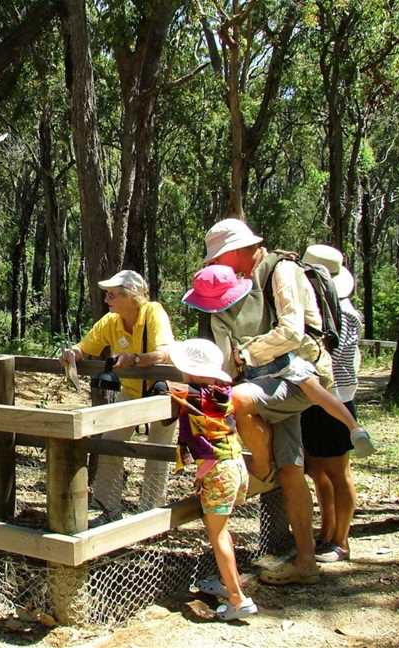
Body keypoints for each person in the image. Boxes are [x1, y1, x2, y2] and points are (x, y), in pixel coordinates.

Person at [197, 217, 325, 586]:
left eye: (218, 258)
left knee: (236, 403)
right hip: (270, 380)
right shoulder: (234, 286)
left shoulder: (280, 270)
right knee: (292, 469)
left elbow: (292, 330)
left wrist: (246, 355)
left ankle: (259, 474)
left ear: (236, 252)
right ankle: (305, 560)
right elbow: (225, 356)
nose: (214, 265)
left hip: (299, 378)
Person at [182, 264, 373, 476]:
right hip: (286, 359)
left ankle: (263, 465)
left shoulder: (220, 318)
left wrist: (236, 364)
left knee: (243, 404)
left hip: (258, 368)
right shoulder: (259, 298)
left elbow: (228, 360)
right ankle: (353, 426)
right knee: (320, 393)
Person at [59, 270, 176, 523]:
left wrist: (135, 359)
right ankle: (107, 509)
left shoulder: (153, 311)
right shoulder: (111, 321)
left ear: (131, 296)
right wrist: (73, 353)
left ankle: (151, 515)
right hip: (130, 393)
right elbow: (86, 346)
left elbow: (165, 353)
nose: (106, 300)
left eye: (112, 295)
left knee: (157, 455)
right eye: (107, 295)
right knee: (109, 446)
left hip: (161, 393)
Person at [160, 338, 257, 621]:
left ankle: (238, 598)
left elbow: (164, 389)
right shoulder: (221, 391)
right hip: (235, 466)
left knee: (218, 535)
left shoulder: (195, 394)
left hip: (219, 471)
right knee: (222, 529)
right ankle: (230, 583)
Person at [300, 244, 367, 563]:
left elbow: (339, 363)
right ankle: (326, 531)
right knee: (316, 470)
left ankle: (341, 539)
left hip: (336, 399)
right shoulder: (309, 310)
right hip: (310, 400)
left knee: (338, 472)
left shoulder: (346, 315)